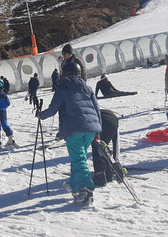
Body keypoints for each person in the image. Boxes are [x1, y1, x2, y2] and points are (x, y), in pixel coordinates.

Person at [38, 61, 101, 204]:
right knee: (79, 158)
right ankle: (74, 186)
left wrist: (41, 115)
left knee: (78, 159)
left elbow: (53, 109)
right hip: (90, 129)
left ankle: (87, 189)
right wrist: (98, 131)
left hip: (74, 129)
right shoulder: (88, 88)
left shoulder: (63, 89)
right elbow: (97, 110)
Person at [91, 109, 119, 187]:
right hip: (113, 119)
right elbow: (116, 140)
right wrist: (116, 159)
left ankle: (100, 176)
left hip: (101, 121)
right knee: (103, 146)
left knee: (97, 147)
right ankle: (108, 171)